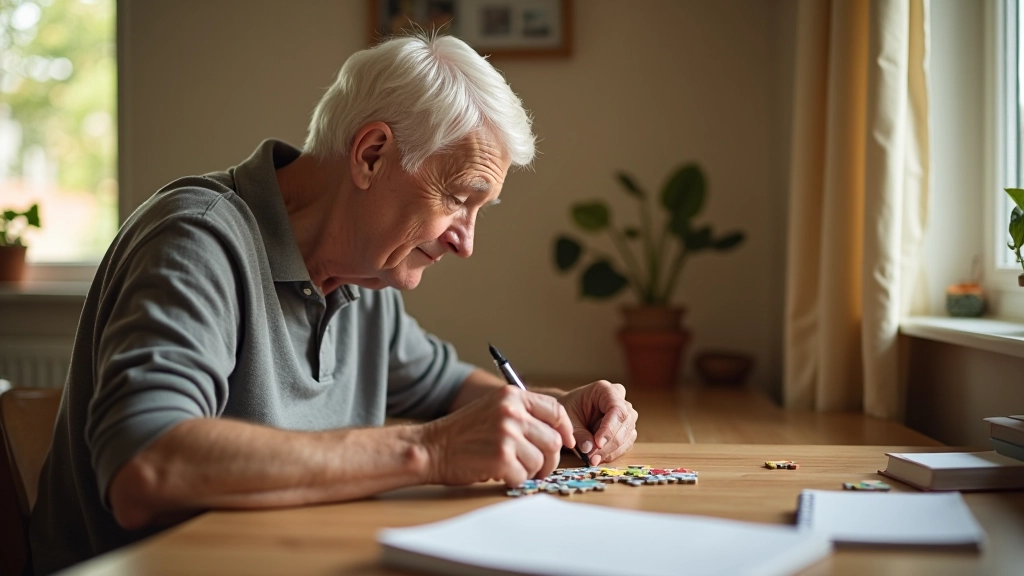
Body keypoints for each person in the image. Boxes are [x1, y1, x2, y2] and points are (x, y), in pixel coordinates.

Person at [29, 32, 638, 574]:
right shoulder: (196, 238)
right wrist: (431, 449)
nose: (465, 241)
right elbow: (147, 467)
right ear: (371, 154)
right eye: (458, 198)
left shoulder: (362, 276)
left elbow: (448, 387)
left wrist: (556, 413)